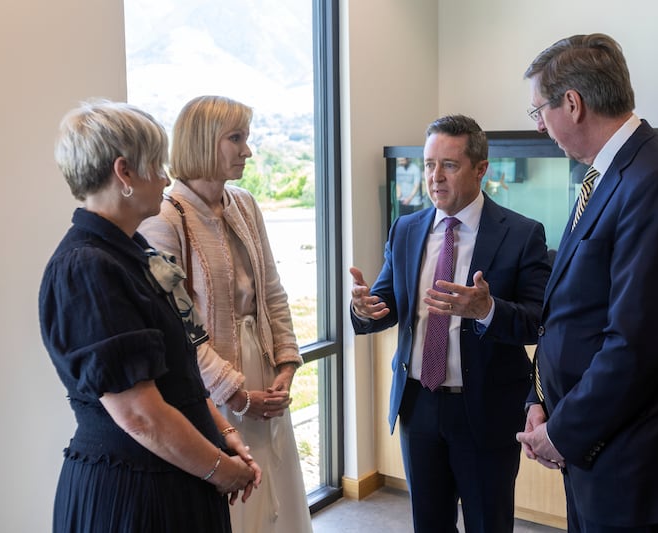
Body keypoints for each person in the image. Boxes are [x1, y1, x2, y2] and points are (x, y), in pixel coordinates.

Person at [516, 34, 658, 532]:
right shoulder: (609, 176)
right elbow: (571, 312)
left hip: (633, 462)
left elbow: (634, 346)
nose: (538, 125)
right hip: (597, 451)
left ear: (572, 103)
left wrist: (562, 433)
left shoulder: (655, 182)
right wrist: (540, 399)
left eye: (539, 110)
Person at [40, 100, 260, 533]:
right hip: (133, 493)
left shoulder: (134, 253)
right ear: (123, 172)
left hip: (173, 479)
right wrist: (221, 470)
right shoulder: (87, 269)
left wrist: (224, 434)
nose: (165, 177)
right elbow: (139, 414)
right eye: (157, 166)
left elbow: (179, 374)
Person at [350, 114, 551, 532]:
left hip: (487, 410)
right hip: (418, 404)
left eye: (449, 165)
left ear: (480, 169)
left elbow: (538, 322)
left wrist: (487, 309)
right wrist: (364, 310)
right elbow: (387, 302)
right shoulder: (406, 229)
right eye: (428, 164)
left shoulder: (522, 234)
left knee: (488, 524)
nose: (435, 177)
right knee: (429, 524)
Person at [138, 95, 313, 533]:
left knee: (276, 486)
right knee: (235, 492)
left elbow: (271, 291)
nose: (247, 151)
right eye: (235, 138)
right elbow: (177, 327)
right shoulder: (164, 217)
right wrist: (233, 394)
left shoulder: (245, 204)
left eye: (246, 138)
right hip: (209, 384)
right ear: (202, 141)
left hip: (263, 368)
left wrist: (287, 364)